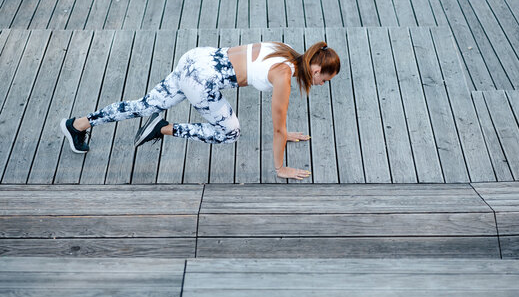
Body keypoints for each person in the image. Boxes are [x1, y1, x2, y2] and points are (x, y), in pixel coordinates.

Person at [60, 41, 340, 180]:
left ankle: (79, 124)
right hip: (201, 80)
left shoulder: (288, 51)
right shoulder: (283, 75)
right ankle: (163, 128)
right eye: (324, 79)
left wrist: (286, 133)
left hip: (197, 58)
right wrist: (280, 168)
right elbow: (277, 126)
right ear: (315, 68)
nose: (322, 83)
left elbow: (281, 127)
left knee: (144, 105)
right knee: (230, 133)